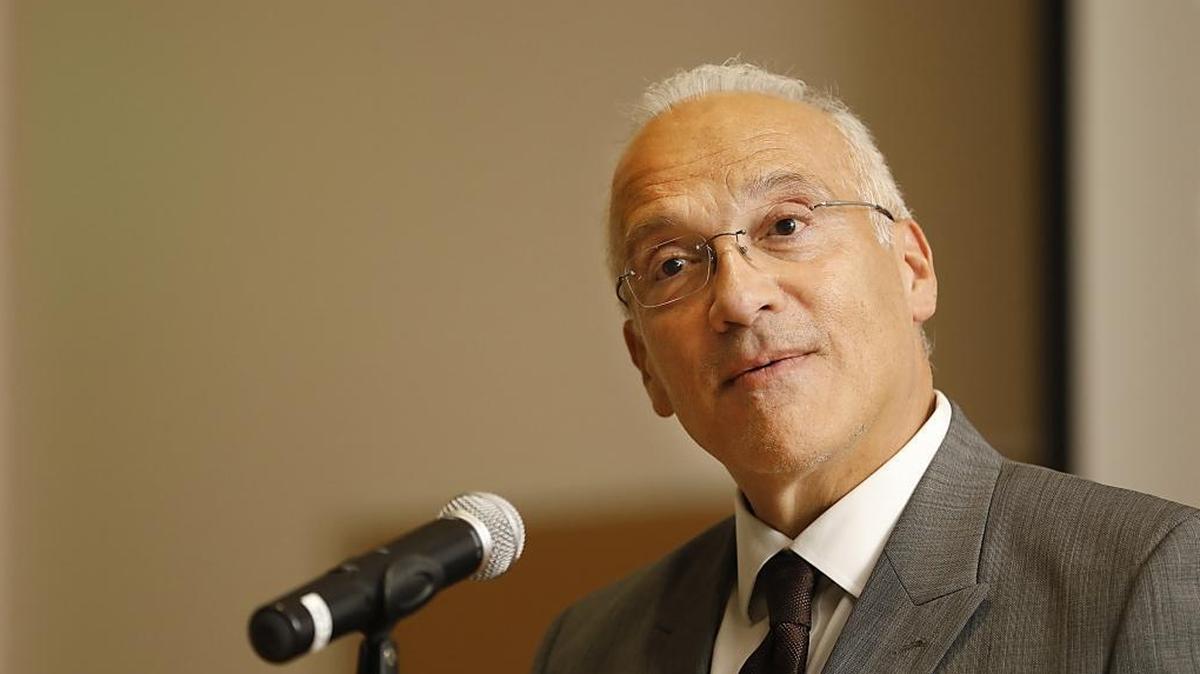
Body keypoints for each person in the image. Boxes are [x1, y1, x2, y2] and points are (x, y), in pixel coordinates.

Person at [531, 62, 1200, 673]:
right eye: (672, 264)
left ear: (912, 269)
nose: (736, 297)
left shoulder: (1140, 577)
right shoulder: (588, 649)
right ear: (645, 362)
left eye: (786, 226)